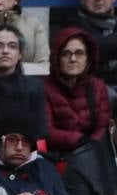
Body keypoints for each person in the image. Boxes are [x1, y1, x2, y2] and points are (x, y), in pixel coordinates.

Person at [43, 27, 110, 160]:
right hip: (57, 156)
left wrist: (92, 146)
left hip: (93, 153)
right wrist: (80, 141)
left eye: (79, 53)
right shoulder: (43, 86)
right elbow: (47, 130)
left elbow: (103, 126)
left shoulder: (98, 86)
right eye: (65, 53)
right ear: (56, 57)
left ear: (88, 58)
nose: (73, 59)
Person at [0, 25, 47, 143]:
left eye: (12, 46)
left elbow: (40, 131)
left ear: (20, 54)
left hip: (24, 153)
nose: (5, 51)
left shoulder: (34, 87)